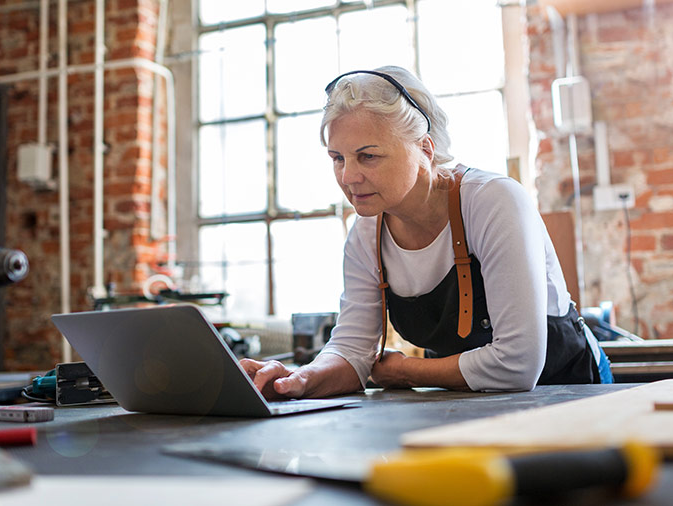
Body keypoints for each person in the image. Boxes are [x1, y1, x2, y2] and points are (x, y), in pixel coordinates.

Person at [240, 66, 612, 400]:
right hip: (466, 407)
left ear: (425, 149)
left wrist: (405, 371)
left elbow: (517, 364)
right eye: (338, 158)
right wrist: (301, 379)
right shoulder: (365, 234)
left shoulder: (493, 202)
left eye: (368, 156)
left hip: (570, 395)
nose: (348, 177)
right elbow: (352, 352)